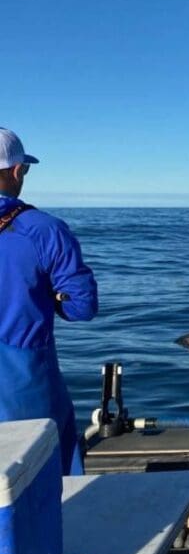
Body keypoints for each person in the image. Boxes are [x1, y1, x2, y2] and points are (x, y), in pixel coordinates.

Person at [0, 128, 98, 475]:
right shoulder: (43, 229)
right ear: (16, 171)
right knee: (47, 482)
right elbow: (81, 306)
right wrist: (51, 296)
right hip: (23, 388)